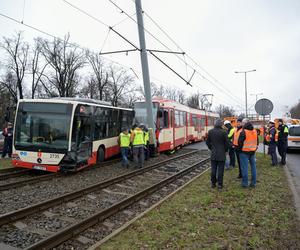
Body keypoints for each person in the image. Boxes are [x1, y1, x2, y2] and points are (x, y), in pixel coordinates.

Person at [206, 119, 230, 190]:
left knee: (213, 170)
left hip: (213, 153)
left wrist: (211, 148)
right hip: (222, 154)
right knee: (220, 170)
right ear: (221, 125)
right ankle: (220, 185)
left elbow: (207, 142)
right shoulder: (224, 132)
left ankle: (213, 184)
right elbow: (227, 143)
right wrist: (225, 150)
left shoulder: (210, 131)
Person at [238, 118, 259, 188]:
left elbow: (239, 143)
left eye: (243, 123)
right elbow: (257, 142)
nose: (242, 124)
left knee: (245, 168)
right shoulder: (255, 131)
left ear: (245, 123)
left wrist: (239, 150)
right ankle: (253, 183)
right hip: (252, 152)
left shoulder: (243, 132)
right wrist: (254, 148)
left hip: (244, 152)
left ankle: (245, 183)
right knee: (253, 167)